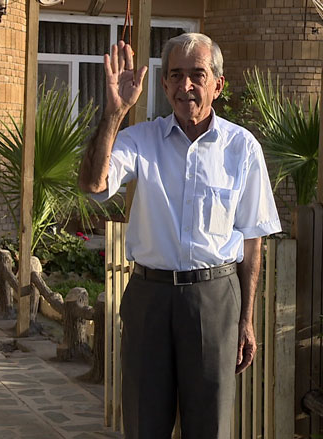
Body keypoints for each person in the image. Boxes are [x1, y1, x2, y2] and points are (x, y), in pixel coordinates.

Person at [78, 33, 281, 438]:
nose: (185, 85)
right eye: (175, 75)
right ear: (164, 83)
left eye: (197, 75)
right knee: (143, 423)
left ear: (218, 85)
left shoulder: (242, 148)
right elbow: (93, 184)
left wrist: (246, 319)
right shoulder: (141, 139)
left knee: (209, 426)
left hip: (214, 299)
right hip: (149, 298)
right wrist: (115, 113)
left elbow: (251, 241)